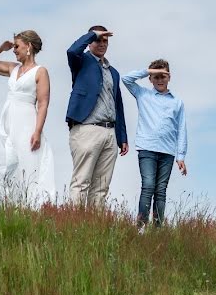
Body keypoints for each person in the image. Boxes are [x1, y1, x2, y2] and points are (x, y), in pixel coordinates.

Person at [0, 30, 56, 204]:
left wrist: (37, 131)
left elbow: (43, 103)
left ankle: (32, 204)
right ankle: (12, 204)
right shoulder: (12, 68)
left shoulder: (40, 71)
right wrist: (2, 47)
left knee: (28, 160)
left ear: (28, 46)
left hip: (27, 121)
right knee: (9, 159)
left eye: (17, 46)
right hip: (9, 120)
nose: (14, 50)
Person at [66, 25, 129, 208]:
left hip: (110, 132)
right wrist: (92, 34)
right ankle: (74, 224)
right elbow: (71, 50)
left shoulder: (113, 72)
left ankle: (94, 226)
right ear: (90, 42)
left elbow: (118, 104)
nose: (102, 43)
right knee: (81, 181)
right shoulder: (81, 61)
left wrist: (122, 136)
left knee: (101, 186)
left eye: (105, 41)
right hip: (87, 128)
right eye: (98, 40)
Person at [121, 59, 188, 229]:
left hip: (167, 152)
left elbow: (181, 129)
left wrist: (181, 156)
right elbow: (126, 79)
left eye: (163, 76)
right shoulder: (143, 94)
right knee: (148, 185)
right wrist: (147, 70)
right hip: (147, 149)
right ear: (150, 78)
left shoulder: (177, 102)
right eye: (156, 76)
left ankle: (158, 229)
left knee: (161, 191)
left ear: (169, 77)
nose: (159, 80)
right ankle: (141, 227)